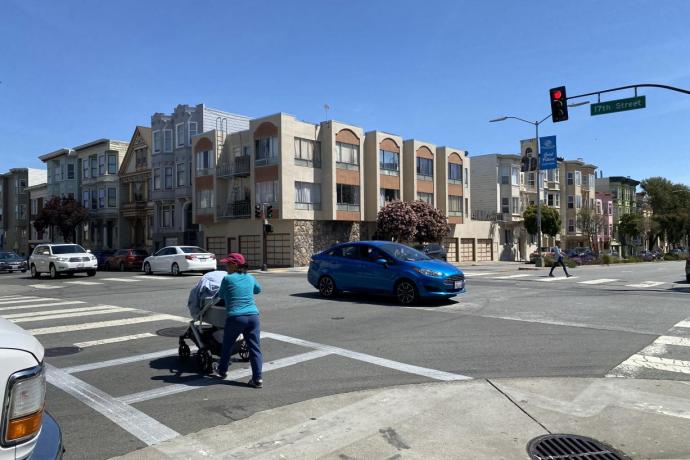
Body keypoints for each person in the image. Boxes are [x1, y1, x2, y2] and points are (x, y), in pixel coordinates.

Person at [212, 252, 263, 388]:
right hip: (253, 317)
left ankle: (222, 371)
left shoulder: (228, 279)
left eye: (228, 264)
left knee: (227, 346)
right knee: (255, 349)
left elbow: (221, 295)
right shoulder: (250, 277)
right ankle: (257, 379)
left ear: (235, 265)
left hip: (236, 317)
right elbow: (258, 290)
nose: (226, 266)